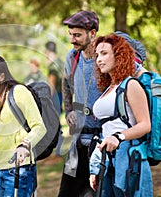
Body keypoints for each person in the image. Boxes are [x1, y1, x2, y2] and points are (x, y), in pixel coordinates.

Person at [89, 33, 153, 196]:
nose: (99, 59)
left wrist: (119, 137)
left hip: (131, 159)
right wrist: (96, 166)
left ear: (119, 55)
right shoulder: (109, 88)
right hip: (109, 159)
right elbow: (107, 130)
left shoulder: (130, 84)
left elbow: (145, 124)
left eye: (104, 53)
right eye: (97, 55)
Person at [0, 54, 47, 197]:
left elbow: (39, 127)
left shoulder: (19, 92)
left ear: (1, 76)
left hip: (20, 169)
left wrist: (25, 145)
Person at [59, 10, 102, 196]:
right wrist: (68, 110)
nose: (72, 39)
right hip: (78, 140)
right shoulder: (72, 57)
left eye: (77, 35)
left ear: (92, 33)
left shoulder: (106, 56)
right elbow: (66, 84)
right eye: (70, 34)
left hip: (101, 140)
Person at [44, 41, 64, 157]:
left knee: (53, 123)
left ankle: (56, 151)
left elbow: (52, 83)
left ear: (48, 51)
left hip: (54, 96)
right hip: (61, 95)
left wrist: (48, 99)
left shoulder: (52, 65)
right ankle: (58, 150)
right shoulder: (60, 62)